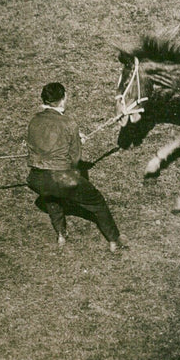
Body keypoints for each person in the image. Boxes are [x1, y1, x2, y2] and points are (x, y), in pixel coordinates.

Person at [26, 82, 127, 253]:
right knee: (97, 202)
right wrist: (75, 141)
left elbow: (39, 143)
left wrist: (71, 138)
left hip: (36, 179)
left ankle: (60, 235)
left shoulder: (34, 120)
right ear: (63, 99)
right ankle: (114, 240)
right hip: (61, 178)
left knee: (51, 198)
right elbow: (75, 160)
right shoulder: (69, 123)